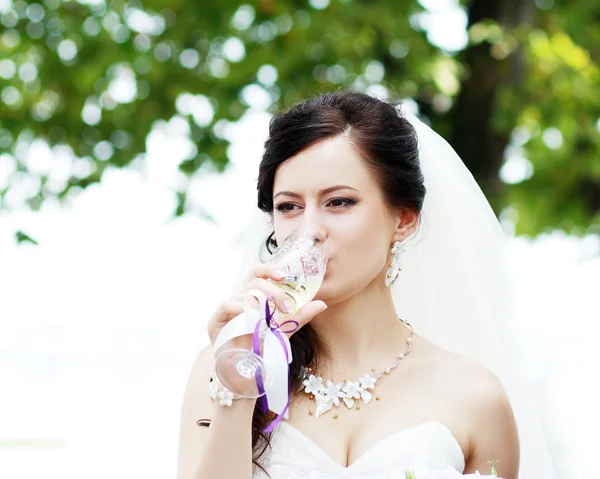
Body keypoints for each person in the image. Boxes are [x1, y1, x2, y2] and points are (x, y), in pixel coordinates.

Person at [177, 91, 559, 479]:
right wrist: (240, 390)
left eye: (339, 202)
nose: (309, 230)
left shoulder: (476, 397)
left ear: (403, 219)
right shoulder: (223, 366)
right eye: (289, 206)